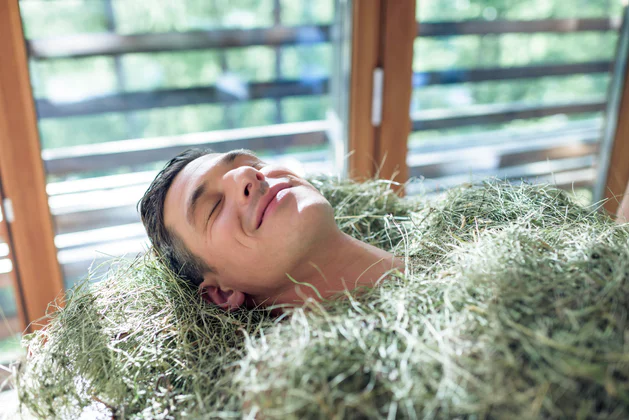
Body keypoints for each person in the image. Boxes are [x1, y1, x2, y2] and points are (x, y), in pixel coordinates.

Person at [139, 148, 405, 313]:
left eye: (253, 164)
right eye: (215, 207)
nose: (248, 175)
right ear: (222, 293)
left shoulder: (439, 249)